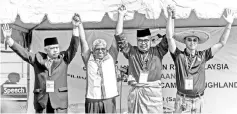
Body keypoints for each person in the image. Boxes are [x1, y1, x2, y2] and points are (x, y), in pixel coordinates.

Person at [1, 13, 81, 113]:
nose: (56, 50)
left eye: (57, 48)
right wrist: (9, 40)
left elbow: (73, 46)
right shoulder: (37, 59)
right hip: (42, 102)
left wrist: (75, 28)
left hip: (59, 103)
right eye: (52, 48)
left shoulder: (64, 58)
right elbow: (24, 53)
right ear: (46, 50)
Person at [166, 6, 234, 113]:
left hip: (198, 100)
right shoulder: (179, 56)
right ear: (185, 41)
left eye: (194, 40)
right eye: (189, 40)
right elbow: (169, 38)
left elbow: (221, 43)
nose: (192, 42)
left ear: (197, 42)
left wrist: (229, 24)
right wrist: (170, 16)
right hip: (182, 100)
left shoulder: (203, 55)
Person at [114, 5, 170, 113]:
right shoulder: (131, 51)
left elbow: (169, 36)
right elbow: (118, 35)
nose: (143, 43)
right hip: (137, 94)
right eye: (140, 41)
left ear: (150, 40)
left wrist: (170, 17)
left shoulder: (158, 51)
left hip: (153, 94)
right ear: (137, 41)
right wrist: (121, 16)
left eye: (145, 41)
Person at [78, 15, 120, 113]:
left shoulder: (111, 57)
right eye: (97, 49)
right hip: (93, 99)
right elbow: (83, 40)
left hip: (109, 99)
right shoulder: (88, 58)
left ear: (106, 50)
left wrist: (120, 15)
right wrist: (79, 24)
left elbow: (117, 36)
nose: (100, 51)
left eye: (103, 49)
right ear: (93, 50)